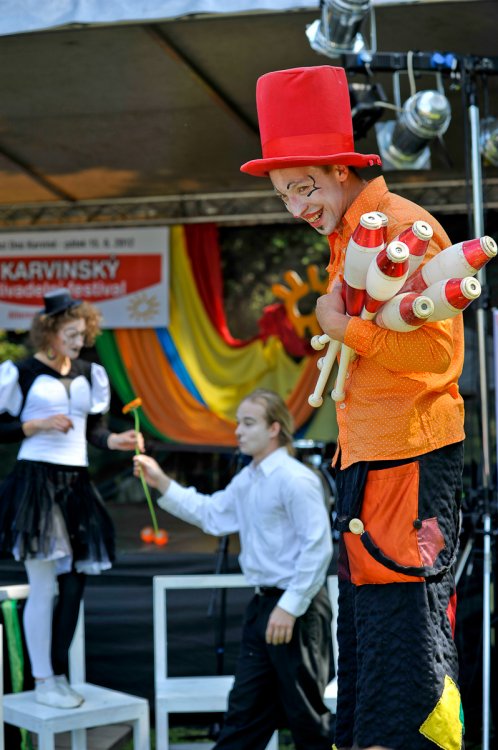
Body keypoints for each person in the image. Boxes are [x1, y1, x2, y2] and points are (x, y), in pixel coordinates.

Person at [240, 66, 465, 750]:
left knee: (409, 650)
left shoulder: (402, 229)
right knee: (370, 654)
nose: (295, 207)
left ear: (341, 169)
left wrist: (346, 328)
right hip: (369, 462)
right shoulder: (347, 237)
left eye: (303, 187)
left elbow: (437, 357)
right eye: (283, 194)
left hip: (410, 459)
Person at [134, 388, 333, 749]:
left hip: (297, 610)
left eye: (248, 423)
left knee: (308, 720)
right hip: (263, 607)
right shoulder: (248, 479)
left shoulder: (296, 479)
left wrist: (289, 607)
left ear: (274, 428)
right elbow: (212, 515)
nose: (238, 431)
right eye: (238, 423)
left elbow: (318, 548)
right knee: (244, 716)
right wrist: (161, 481)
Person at [0, 288, 143, 709]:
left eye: (83, 334)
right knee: (43, 585)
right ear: (50, 333)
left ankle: (57, 672)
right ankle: (43, 679)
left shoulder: (89, 373)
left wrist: (115, 440)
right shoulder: (20, 372)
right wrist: (35, 426)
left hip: (76, 483)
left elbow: (93, 431)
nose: (79, 342)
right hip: (36, 481)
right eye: (71, 334)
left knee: (76, 581)